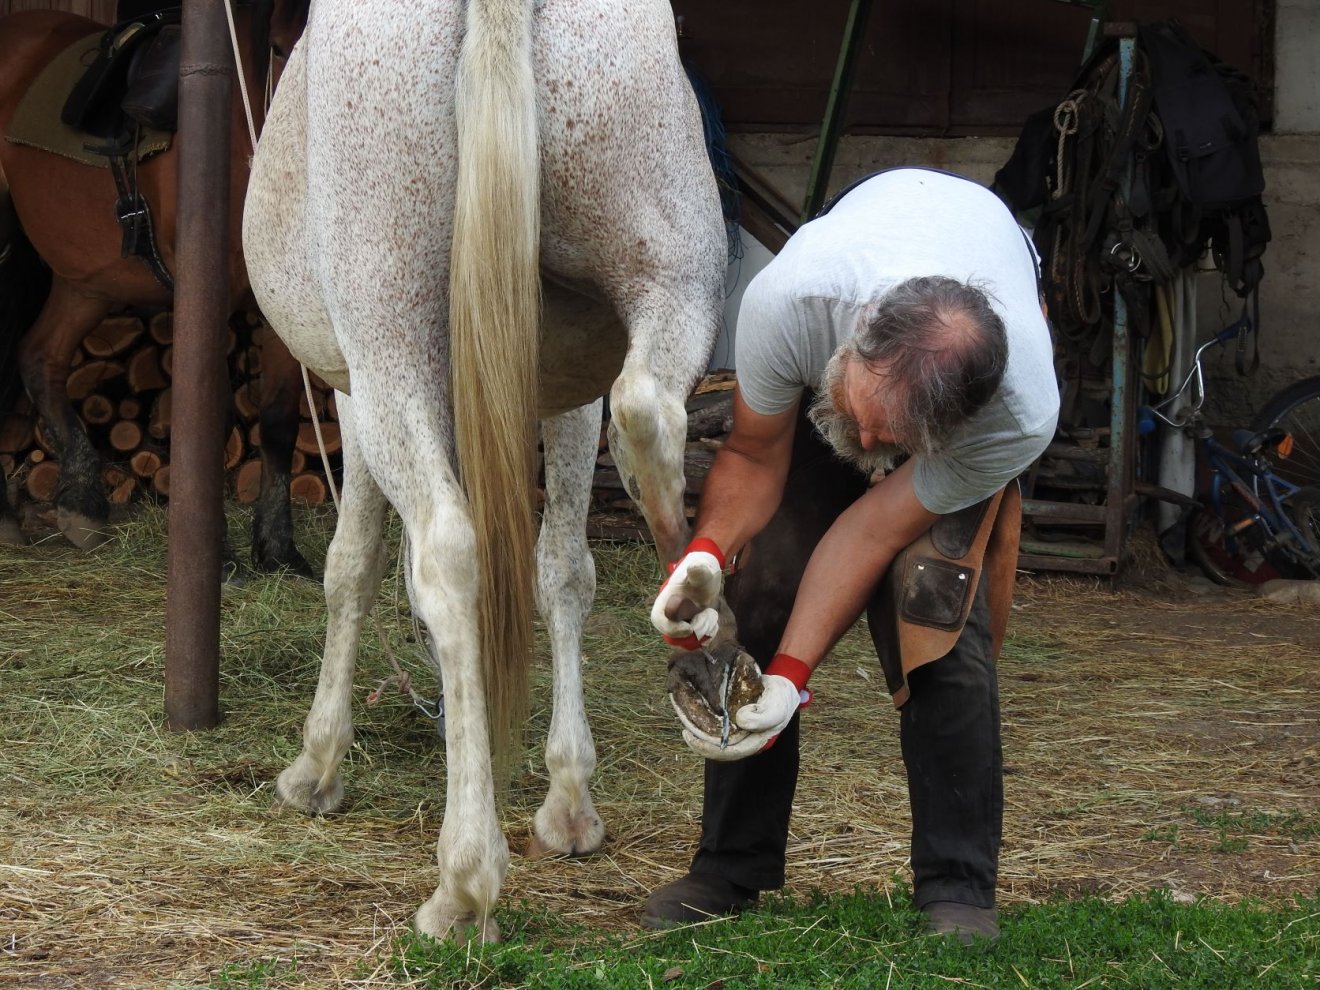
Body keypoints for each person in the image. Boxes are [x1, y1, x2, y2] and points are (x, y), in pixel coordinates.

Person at [645, 167, 1059, 944]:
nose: (866, 448)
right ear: (860, 331)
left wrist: (791, 684)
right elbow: (755, 454)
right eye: (865, 419)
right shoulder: (790, 304)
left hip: (931, 399)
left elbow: (871, 529)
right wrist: (706, 555)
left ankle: (958, 886)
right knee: (763, 586)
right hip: (836, 356)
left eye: (888, 440)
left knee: (933, 610)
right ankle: (728, 865)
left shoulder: (1018, 411)